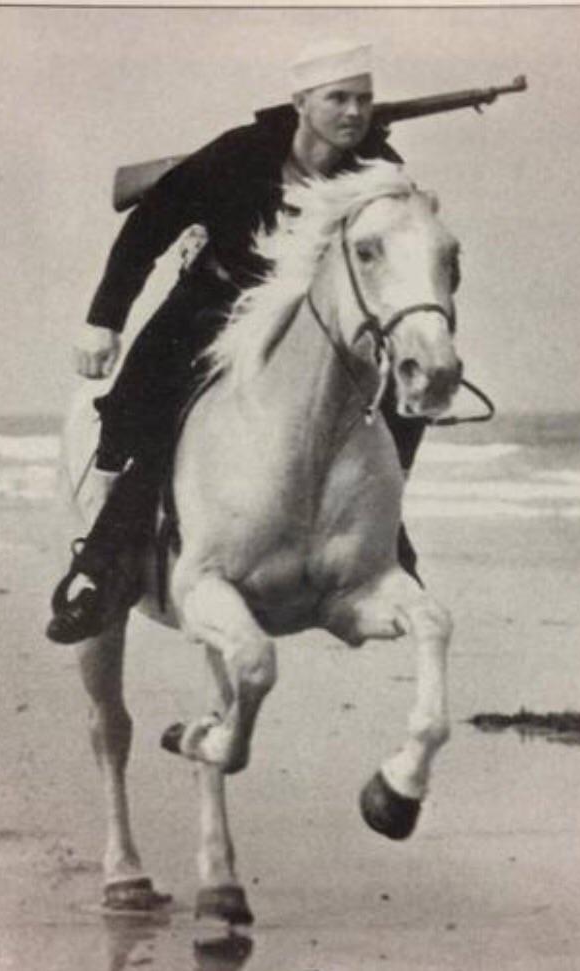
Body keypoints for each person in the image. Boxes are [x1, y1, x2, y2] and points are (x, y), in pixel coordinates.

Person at [46, 40, 428, 644]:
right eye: (339, 99)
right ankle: (105, 566)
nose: (354, 113)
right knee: (142, 409)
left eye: (364, 99)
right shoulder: (238, 154)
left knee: (399, 399)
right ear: (301, 102)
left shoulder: (378, 165)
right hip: (213, 306)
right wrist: (104, 320)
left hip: (312, 327)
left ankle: (385, 542)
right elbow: (147, 227)